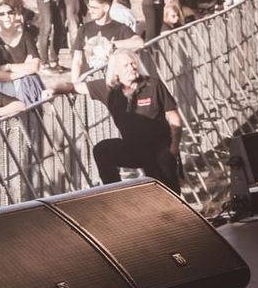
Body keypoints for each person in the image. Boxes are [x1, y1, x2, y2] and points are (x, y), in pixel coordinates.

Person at [77, 50, 183, 192]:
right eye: (126, 65)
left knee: (165, 191)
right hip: (133, 148)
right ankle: (116, 194)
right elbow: (75, 87)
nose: (132, 68)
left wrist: (173, 150)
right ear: (116, 71)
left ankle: (171, 201)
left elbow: (174, 118)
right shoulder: (109, 89)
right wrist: (54, 89)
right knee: (102, 150)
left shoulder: (153, 85)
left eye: (133, 64)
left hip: (158, 149)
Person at [69, 0, 143, 78]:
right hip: (89, 81)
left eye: (94, 8)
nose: (90, 11)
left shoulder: (120, 28)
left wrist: (113, 45)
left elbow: (139, 43)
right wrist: (75, 81)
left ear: (106, 8)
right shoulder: (84, 29)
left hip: (112, 81)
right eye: (89, 7)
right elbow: (77, 60)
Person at [0, 0, 44, 104]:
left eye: (10, 13)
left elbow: (35, 66)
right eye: (1, 14)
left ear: (15, 15)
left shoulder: (26, 37)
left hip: (28, 87)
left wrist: (8, 67)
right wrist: (24, 70)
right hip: (4, 92)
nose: (7, 16)